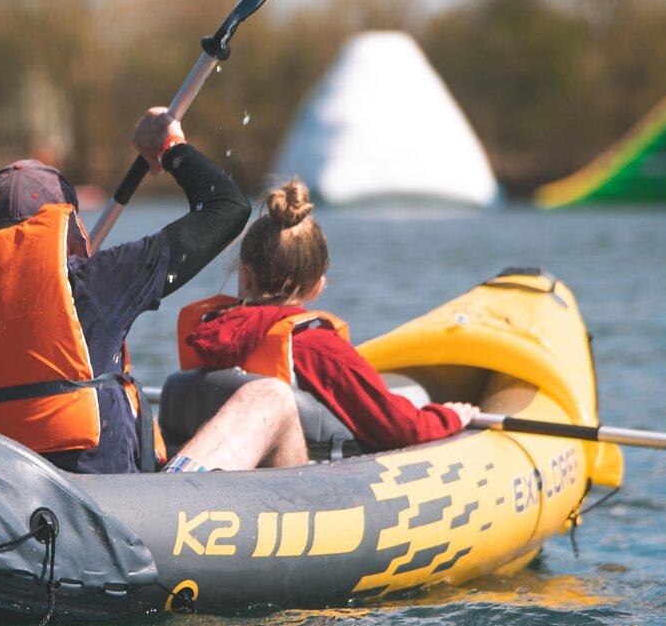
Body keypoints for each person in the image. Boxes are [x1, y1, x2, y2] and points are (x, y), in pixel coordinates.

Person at [0, 107, 277, 474]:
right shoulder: (96, 283)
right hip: (104, 502)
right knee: (270, 400)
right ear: (68, 228)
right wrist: (169, 147)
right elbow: (227, 208)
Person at [164, 178, 478, 472]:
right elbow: (399, 427)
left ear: (245, 275)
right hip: (283, 493)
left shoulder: (204, 336)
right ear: (317, 285)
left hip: (212, 479)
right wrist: (449, 416)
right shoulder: (316, 348)